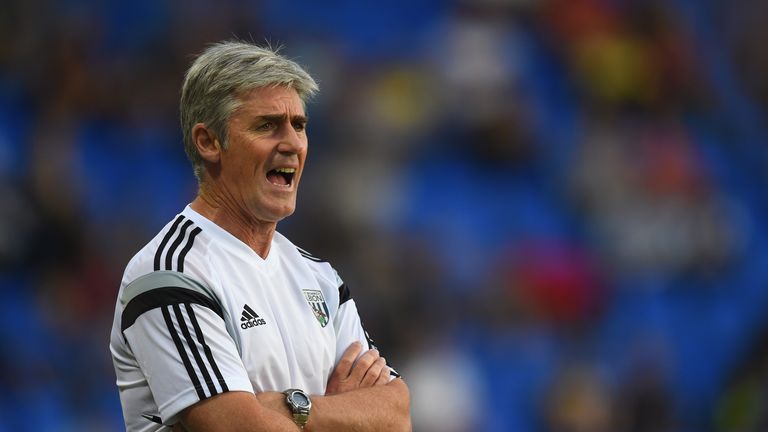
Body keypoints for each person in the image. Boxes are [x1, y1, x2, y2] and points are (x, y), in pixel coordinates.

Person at [108, 40, 412, 432]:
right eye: (267, 125)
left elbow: (397, 414)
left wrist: (292, 408)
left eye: (299, 125)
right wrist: (343, 413)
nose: (291, 143)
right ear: (209, 142)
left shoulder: (320, 277)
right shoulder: (169, 273)